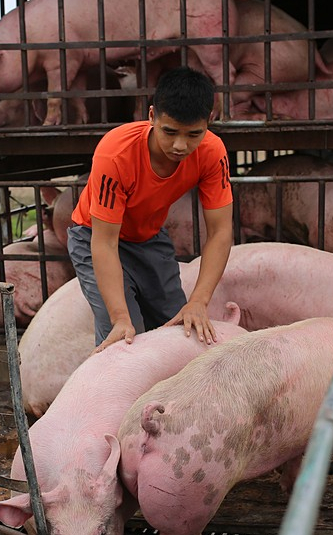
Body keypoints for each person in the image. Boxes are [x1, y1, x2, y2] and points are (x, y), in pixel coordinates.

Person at [68, 66, 233, 353]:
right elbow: (104, 242)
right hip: (94, 235)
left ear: (209, 120)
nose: (180, 145)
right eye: (169, 132)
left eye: (193, 134)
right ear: (151, 116)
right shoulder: (116, 153)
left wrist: (199, 301)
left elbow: (220, 231)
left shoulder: (212, 152)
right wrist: (120, 318)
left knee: (179, 326)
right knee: (124, 340)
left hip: (149, 237)